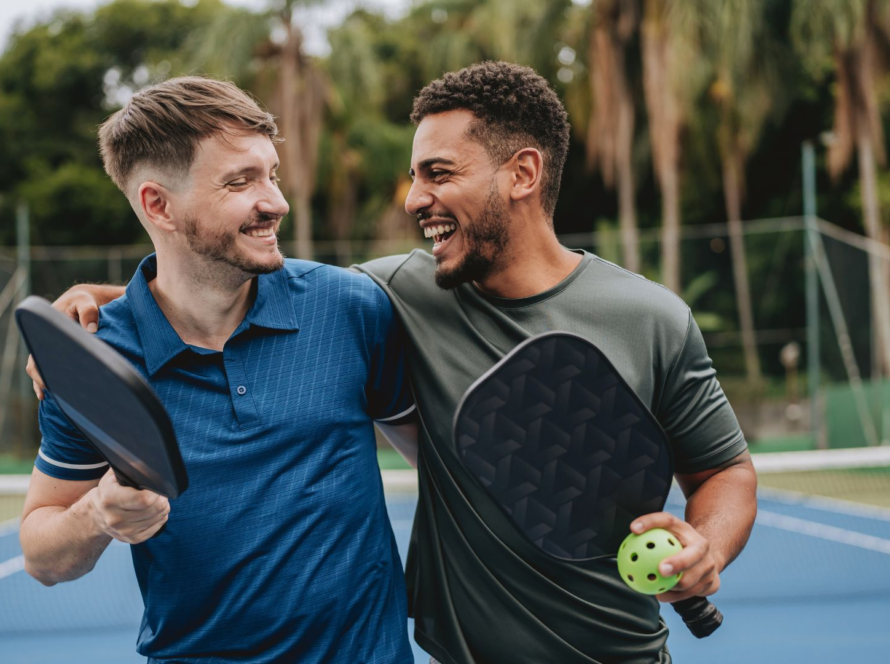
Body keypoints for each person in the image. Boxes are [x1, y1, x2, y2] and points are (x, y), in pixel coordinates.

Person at [36, 62, 758, 664]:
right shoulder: (379, 298)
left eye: (437, 173)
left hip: (604, 649)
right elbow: (222, 280)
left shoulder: (646, 316)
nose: (416, 199)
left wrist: (708, 547)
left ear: (524, 172)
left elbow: (723, 470)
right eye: (240, 182)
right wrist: (103, 312)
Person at [19, 77, 417, 664]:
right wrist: (96, 514)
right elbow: (41, 554)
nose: (276, 201)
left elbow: (441, 472)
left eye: (272, 173)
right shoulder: (93, 354)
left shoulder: (353, 309)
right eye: (240, 181)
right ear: (159, 205)